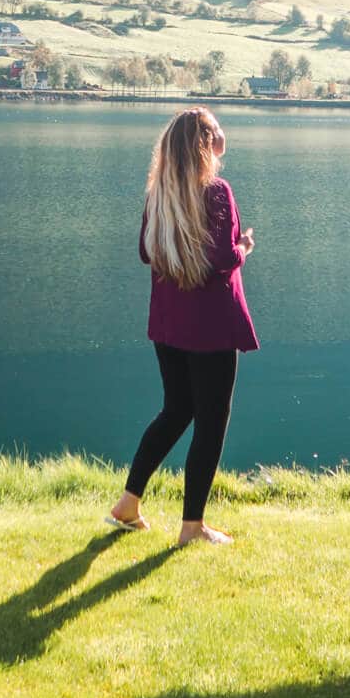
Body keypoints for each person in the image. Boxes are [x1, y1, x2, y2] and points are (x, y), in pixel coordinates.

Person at [108, 107, 258, 546]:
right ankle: (191, 527)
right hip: (210, 327)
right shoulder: (216, 192)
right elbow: (220, 260)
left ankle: (128, 503)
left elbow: (144, 252)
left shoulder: (159, 195)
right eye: (215, 134)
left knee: (176, 410)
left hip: (169, 325)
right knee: (210, 422)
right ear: (205, 143)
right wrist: (243, 247)